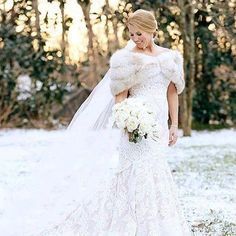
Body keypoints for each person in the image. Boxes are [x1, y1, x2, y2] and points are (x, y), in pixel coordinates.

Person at [37, 9, 194, 236]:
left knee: (155, 172)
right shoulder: (126, 60)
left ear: (152, 29)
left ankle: (155, 224)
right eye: (131, 35)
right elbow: (120, 96)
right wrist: (127, 123)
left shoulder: (171, 58)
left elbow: (172, 92)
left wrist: (173, 124)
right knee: (136, 172)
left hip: (157, 126)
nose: (136, 39)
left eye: (139, 33)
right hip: (135, 126)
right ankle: (131, 223)